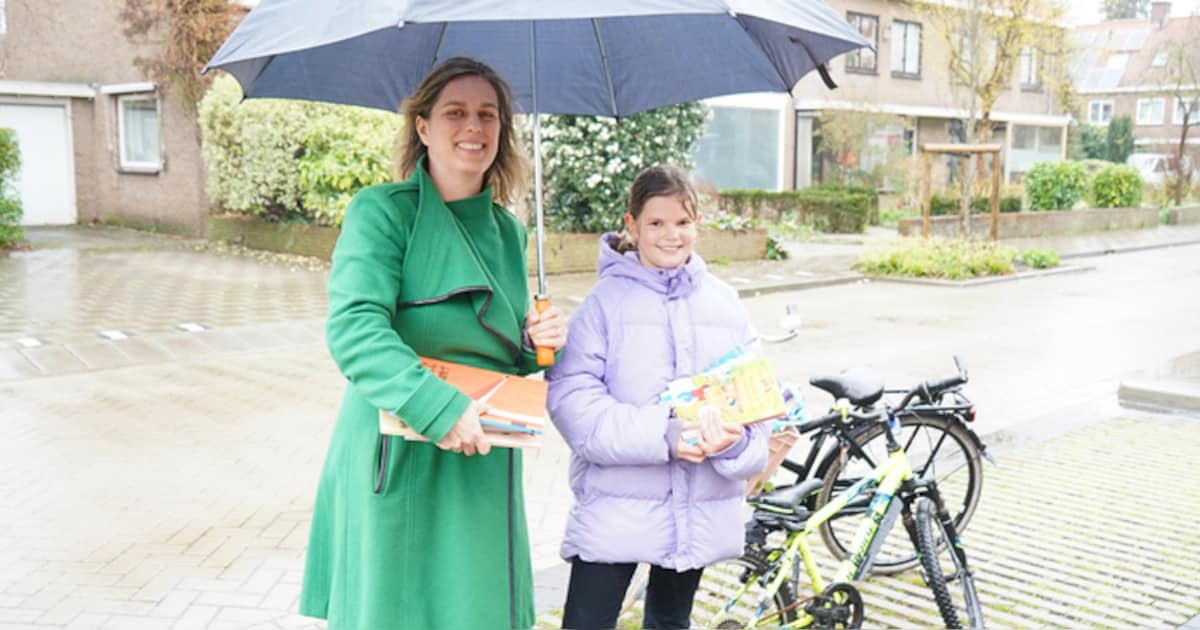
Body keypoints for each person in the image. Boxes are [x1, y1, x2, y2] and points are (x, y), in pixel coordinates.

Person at [298, 57, 568, 630]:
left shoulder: (509, 232)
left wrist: (535, 341)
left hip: (481, 453)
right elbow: (355, 328)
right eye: (456, 112)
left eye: (487, 115)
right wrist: (438, 410)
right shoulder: (381, 212)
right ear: (423, 128)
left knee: (476, 609)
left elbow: (503, 352)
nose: (474, 127)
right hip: (401, 441)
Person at [546, 165, 770, 630]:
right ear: (631, 224)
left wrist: (733, 444)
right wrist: (663, 436)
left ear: (698, 223)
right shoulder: (602, 306)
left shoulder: (726, 306)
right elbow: (576, 410)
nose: (672, 236)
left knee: (671, 623)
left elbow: (757, 414)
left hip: (696, 508)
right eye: (656, 223)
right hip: (615, 511)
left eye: (683, 223)